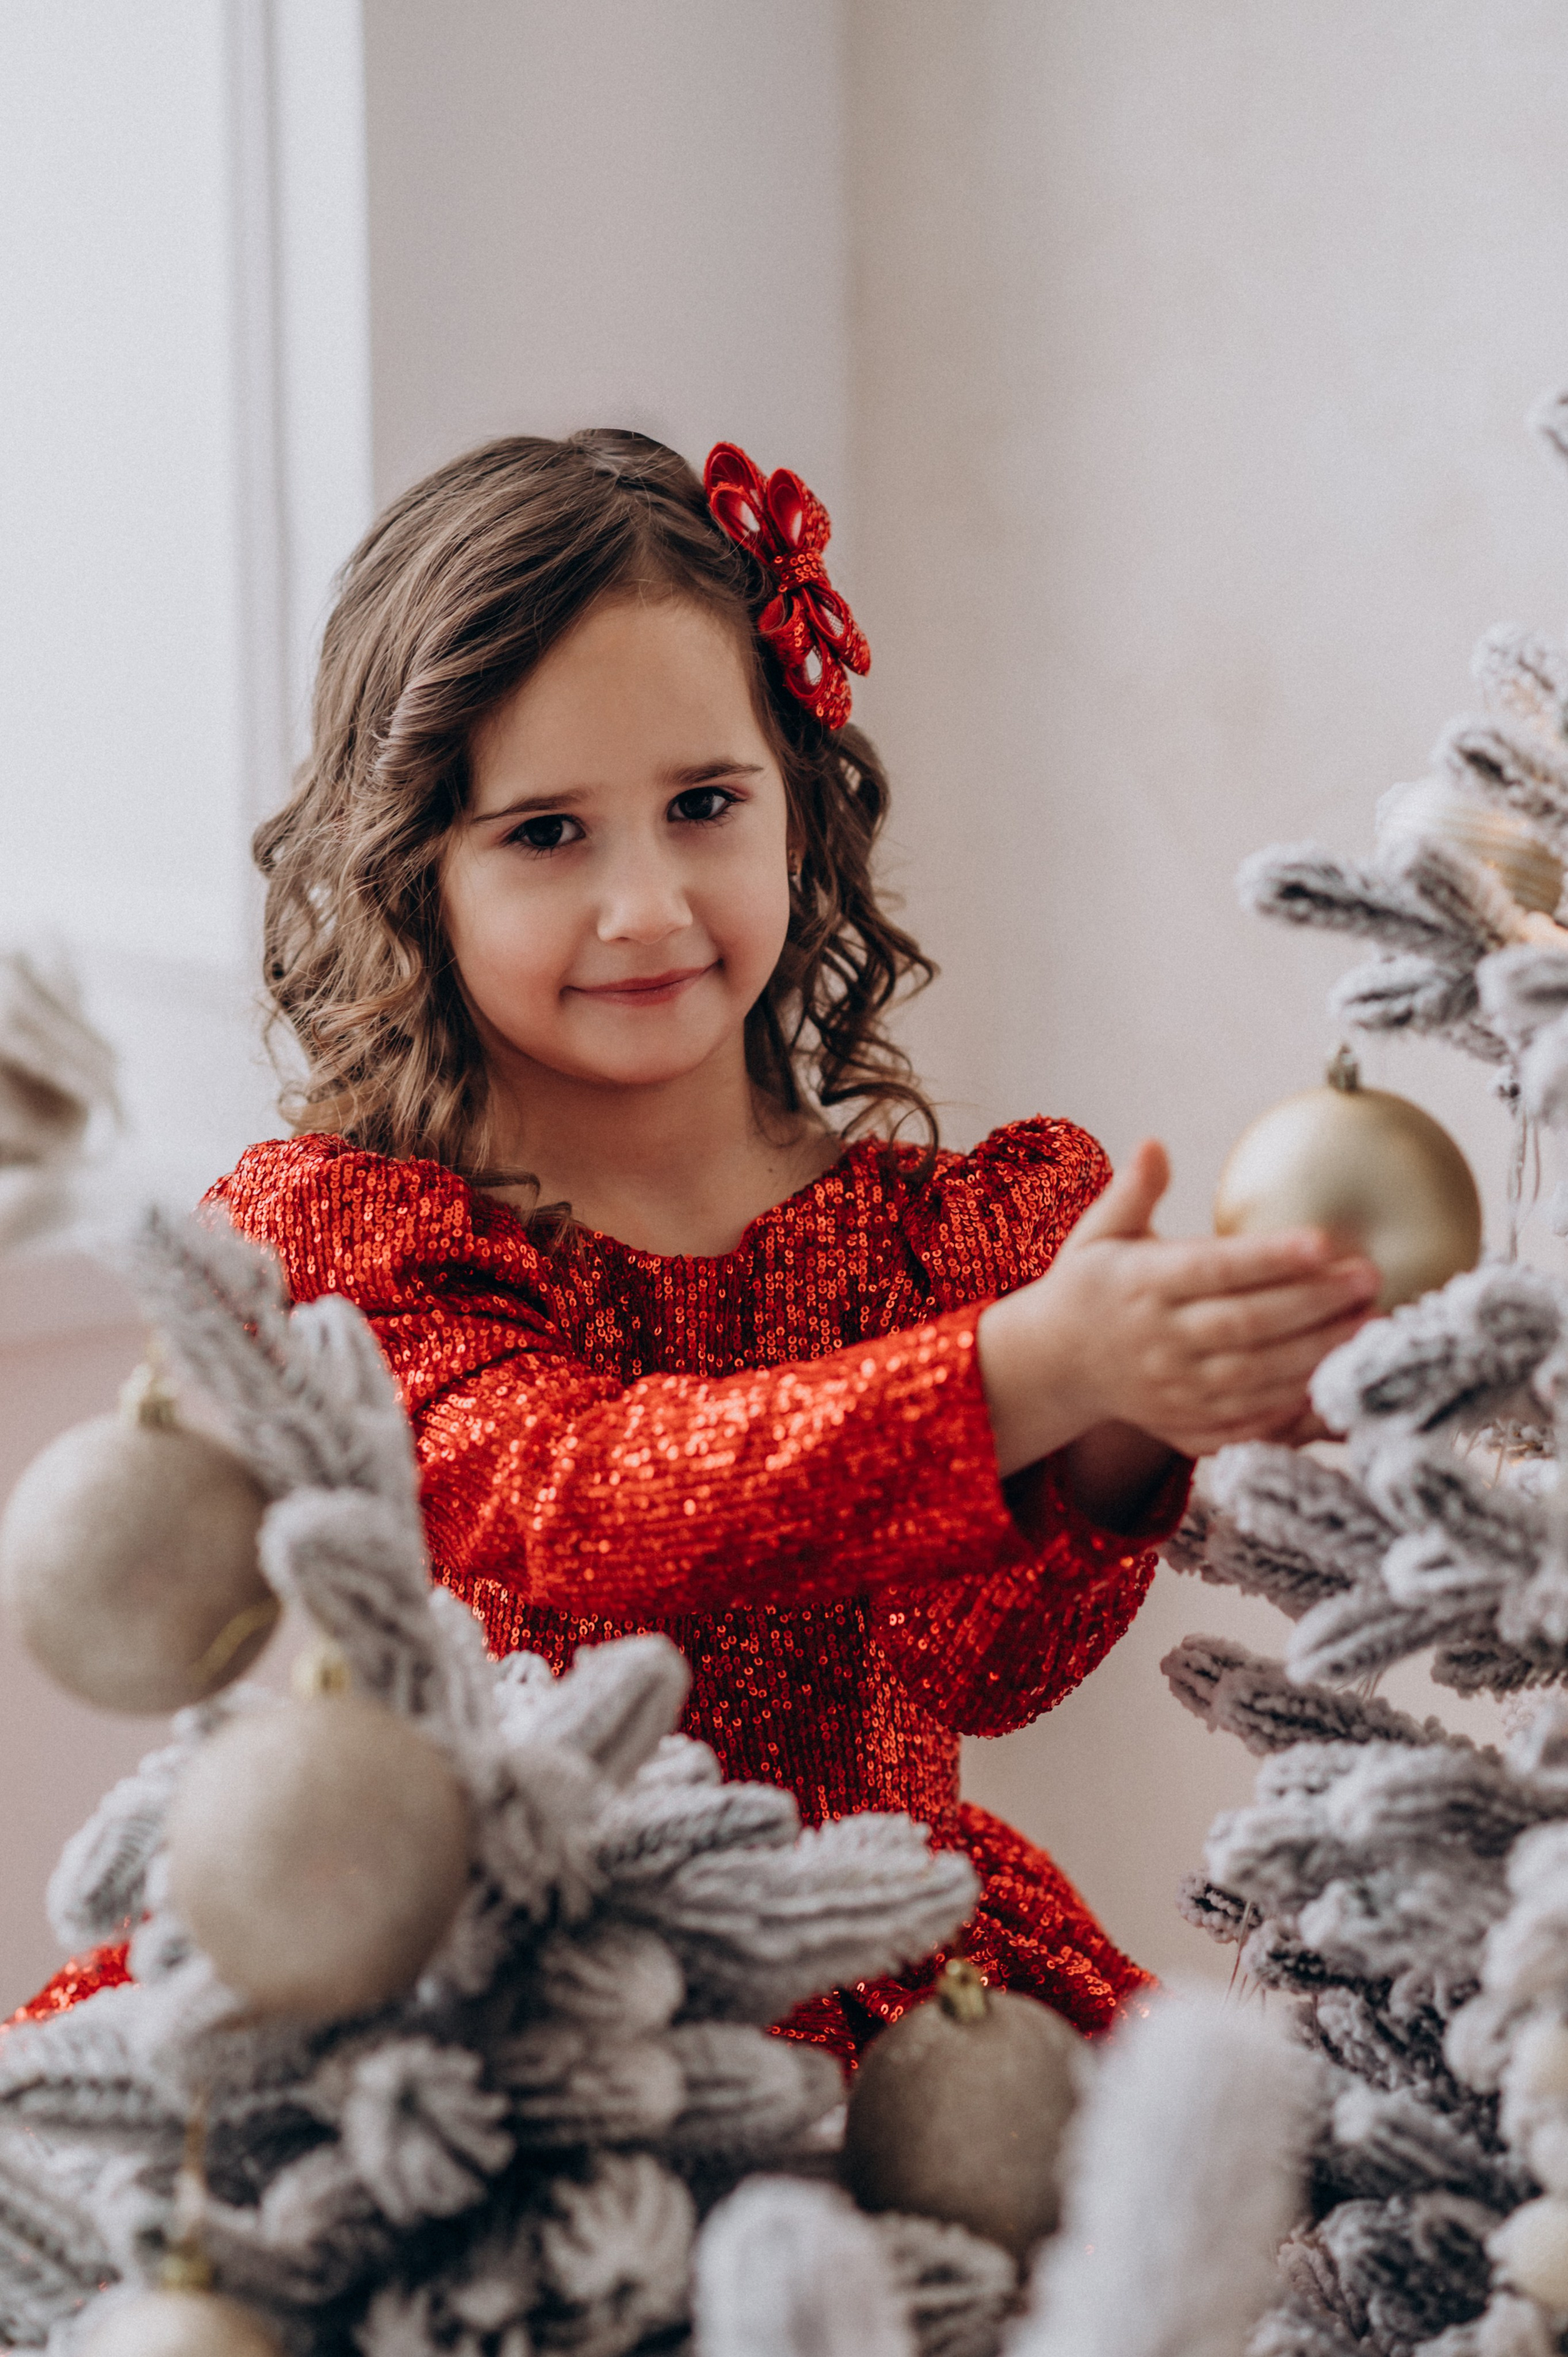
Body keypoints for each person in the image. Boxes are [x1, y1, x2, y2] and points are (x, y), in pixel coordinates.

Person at [16, 436, 1378, 2051]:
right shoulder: (372, 1243)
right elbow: (582, 1502)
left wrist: (1127, 1425)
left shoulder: (928, 1242)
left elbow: (989, 1675)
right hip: (495, 1983)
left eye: (702, 805)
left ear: (798, 811)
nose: (648, 903)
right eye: (546, 834)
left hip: (889, 1969)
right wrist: (1024, 1371)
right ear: (415, 874)